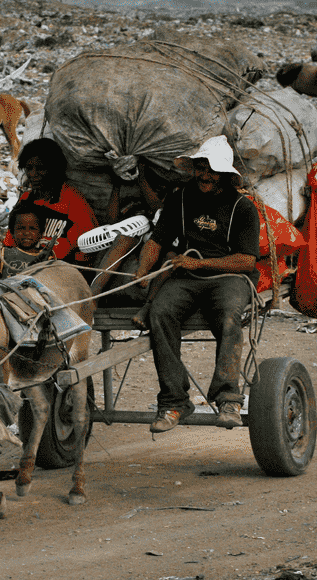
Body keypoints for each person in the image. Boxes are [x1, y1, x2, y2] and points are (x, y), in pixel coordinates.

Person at [132, 135, 260, 433]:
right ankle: (174, 401)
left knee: (230, 317)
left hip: (228, 277)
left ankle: (228, 398)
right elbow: (157, 240)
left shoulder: (242, 207)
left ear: (226, 174)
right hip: (187, 277)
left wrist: (198, 263)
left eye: (212, 170)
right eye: (201, 168)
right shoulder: (180, 197)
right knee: (160, 313)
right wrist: (142, 270)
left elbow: (246, 261)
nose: (205, 175)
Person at [3, 138, 98, 265]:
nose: (33, 174)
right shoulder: (26, 198)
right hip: (23, 265)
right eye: (29, 168)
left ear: (54, 169)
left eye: (40, 168)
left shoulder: (72, 201)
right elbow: (10, 242)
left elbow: (85, 250)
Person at [2, 204, 50, 274]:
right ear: (12, 231)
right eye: (21, 228)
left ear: (41, 232)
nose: (27, 233)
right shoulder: (4, 253)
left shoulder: (47, 257)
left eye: (32, 228)